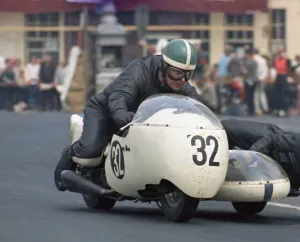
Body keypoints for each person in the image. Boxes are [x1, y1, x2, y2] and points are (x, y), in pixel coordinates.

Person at [54, 39, 203, 192]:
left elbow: (196, 107)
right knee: (90, 150)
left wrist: (204, 121)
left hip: (140, 122)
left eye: (188, 74)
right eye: (177, 73)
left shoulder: (183, 86)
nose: (182, 80)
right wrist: (121, 115)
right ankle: (70, 153)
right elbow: (119, 96)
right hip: (106, 112)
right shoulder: (140, 70)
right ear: (164, 67)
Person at [221, 118, 300, 190]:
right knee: (226, 128)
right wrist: (251, 155)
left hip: (280, 170)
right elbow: (272, 140)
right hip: (267, 140)